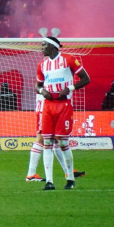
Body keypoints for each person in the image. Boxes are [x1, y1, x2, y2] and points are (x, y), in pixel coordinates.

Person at [36, 34, 91, 190]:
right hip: (47, 105)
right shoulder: (42, 64)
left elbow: (86, 78)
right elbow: (37, 85)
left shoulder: (68, 59)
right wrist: (42, 91)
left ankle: (71, 178)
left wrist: (70, 88)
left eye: (43, 45)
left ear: (52, 46)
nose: (41, 48)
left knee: (62, 143)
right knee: (47, 142)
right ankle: (49, 181)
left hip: (64, 105)